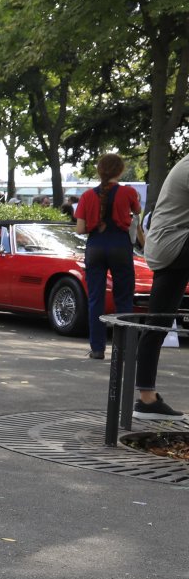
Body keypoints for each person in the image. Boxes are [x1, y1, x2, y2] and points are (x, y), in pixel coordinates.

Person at [132, 157, 189, 420]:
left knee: (158, 322)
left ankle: (147, 400)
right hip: (171, 245)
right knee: (157, 323)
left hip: (171, 246)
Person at [73, 153, 141, 359]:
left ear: (99, 171)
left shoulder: (87, 196)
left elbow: (80, 229)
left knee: (95, 298)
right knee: (124, 298)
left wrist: (96, 224)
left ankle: (97, 349)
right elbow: (137, 212)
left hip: (95, 246)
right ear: (120, 171)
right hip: (120, 245)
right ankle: (124, 349)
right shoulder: (128, 192)